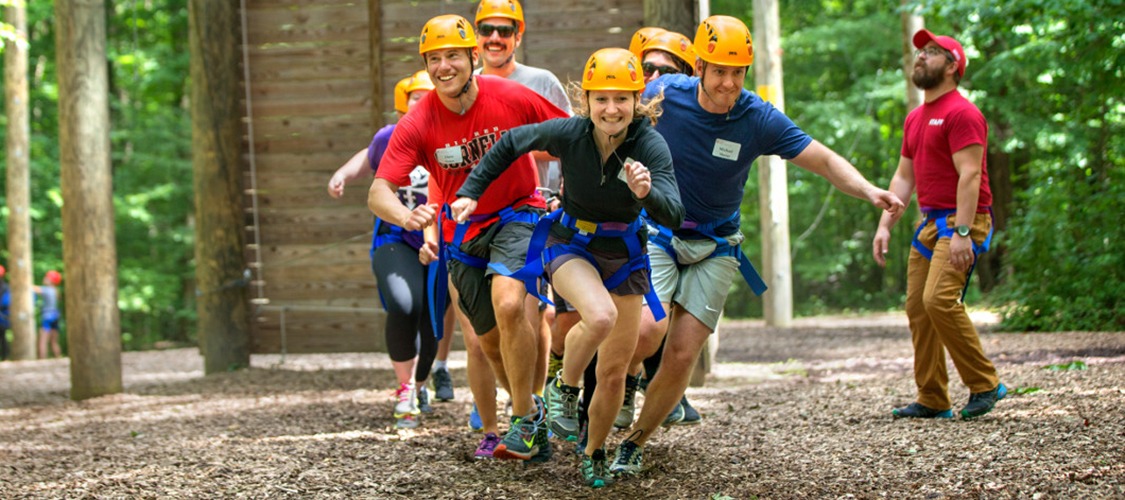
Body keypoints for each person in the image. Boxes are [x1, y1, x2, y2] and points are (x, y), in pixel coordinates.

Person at [610, 15, 905, 476]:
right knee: (649, 328)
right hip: (660, 232)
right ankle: (625, 381)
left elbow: (823, 159)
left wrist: (869, 190)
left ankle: (635, 441)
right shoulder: (662, 94)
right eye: (720, 71)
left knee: (684, 352)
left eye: (738, 72)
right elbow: (609, 124)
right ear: (700, 67)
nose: (728, 83)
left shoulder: (757, 116)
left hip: (718, 243)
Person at [452, 47, 683, 488]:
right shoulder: (570, 134)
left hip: (626, 253)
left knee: (615, 373)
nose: (611, 109)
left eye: (622, 99)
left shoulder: (649, 143)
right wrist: (471, 191)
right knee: (599, 316)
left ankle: (593, 450)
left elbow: (673, 212)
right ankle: (564, 385)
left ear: (638, 101)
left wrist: (647, 192)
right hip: (570, 243)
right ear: (587, 100)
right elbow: (510, 143)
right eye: (601, 98)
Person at [367, 14, 568, 462]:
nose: (443, 67)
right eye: (434, 59)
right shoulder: (418, 122)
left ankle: (521, 422)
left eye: (452, 56)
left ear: (472, 57)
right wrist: (406, 216)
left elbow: (571, 135)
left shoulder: (511, 96)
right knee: (489, 343)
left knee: (512, 303)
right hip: (461, 232)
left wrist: (578, 199)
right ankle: (530, 415)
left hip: (519, 213)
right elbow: (378, 191)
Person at [874, 29, 1005, 420]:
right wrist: (884, 226)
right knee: (917, 306)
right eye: (920, 51)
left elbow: (969, 176)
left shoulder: (963, 113)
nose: (921, 56)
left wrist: (964, 232)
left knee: (939, 301)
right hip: (929, 224)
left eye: (932, 52)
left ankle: (985, 383)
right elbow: (903, 178)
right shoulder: (915, 118)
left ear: (952, 66)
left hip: (963, 221)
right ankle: (932, 397)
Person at [468, 0, 574, 432]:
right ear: (476, 36)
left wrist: (512, 147)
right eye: (487, 29)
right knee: (483, 327)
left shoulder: (540, 82)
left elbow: (573, 137)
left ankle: (530, 404)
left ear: (518, 34)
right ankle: (507, 398)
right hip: (474, 217)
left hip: (534, 208)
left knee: (530, 312)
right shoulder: (463, 84)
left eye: (504, 30)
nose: (495, 38)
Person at [328, 70, 445, 430]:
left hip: (441, 242)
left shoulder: (450, 140)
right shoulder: (389, 137)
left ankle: (421, 387)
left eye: (430, 94)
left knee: (433, 321)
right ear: (403, 103)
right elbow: (369, 155)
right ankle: (404, 388)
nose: (422, 101)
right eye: (415, 96)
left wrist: (433, 241)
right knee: (402, 303)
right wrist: (344, 175)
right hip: (394, 239)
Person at [615, 28, 705, 431]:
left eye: (668, 70)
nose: (657, 77)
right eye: (648, 68)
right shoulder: (619, 111)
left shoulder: (698, 116)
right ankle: (618, 385)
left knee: (680, 314)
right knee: (649, 316)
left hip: (688, 226)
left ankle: (667, 389)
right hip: (630, 226)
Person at [38, 270, 63, 359]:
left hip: (47, 317)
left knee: (43, 340)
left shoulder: (47, 290)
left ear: (51, 280)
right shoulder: (55, 291)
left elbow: (32, 288)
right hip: (55, 316)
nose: (44, 278)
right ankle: (58, 357)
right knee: (54, 340)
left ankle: (42, 360)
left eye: (47, 277)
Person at [0, 265, 10, 361]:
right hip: (4, 317)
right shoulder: (6, 287)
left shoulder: (5, 288)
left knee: (3, 337)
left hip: (2, 317)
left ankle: (5, 357)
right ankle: (5, 357)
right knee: (3, 337)